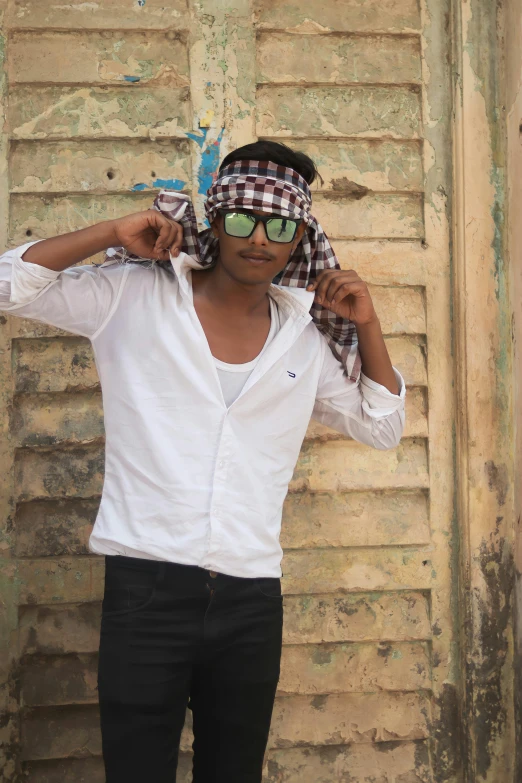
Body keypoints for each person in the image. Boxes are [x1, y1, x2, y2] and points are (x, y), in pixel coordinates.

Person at [0, 141, 405, 782]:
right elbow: (8, 286)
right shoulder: (132, 298)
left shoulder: (303, 335)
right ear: (215, 220)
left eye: (281, 225)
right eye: (243, 218)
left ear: (301, 236)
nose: (260, 239)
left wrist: (370, 325)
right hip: (145, 591)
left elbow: (382, 426)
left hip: (251, 599)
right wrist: (110, 231)